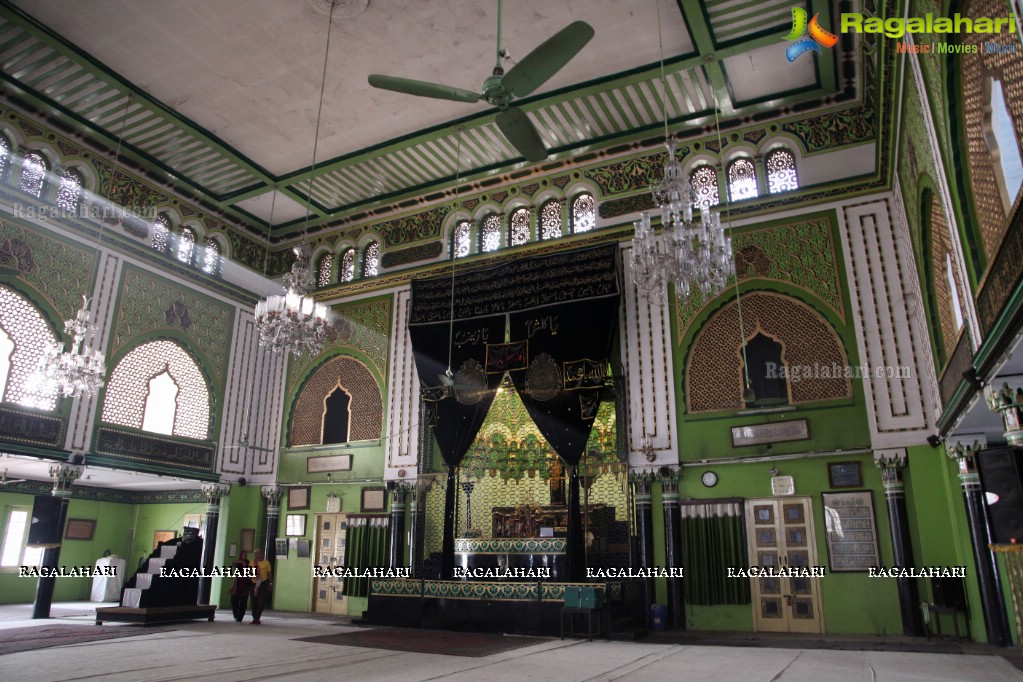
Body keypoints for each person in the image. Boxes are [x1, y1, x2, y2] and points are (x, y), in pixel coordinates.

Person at [249, 550, 272, 625]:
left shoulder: (266, 563)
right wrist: (253, 576)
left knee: (261, 601)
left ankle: (257, 618)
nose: (257, 555)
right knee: (254, 602)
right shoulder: (251, 563)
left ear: (262, 555)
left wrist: (270, 583)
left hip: (263, 584)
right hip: (253, 584)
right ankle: (254, 617)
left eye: (259, 554)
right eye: (256, 554)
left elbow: (269, 573)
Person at [229, 551, 252, 623]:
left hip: (245, 583)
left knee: (243, 602)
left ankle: (240, 617)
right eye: (243, 555)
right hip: (237, 583)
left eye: (246, 555)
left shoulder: (249, 563)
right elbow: (233, 562)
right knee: (234, 600)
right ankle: (236, 614)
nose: (244, 556)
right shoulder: (238, 563)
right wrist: (242, 562)